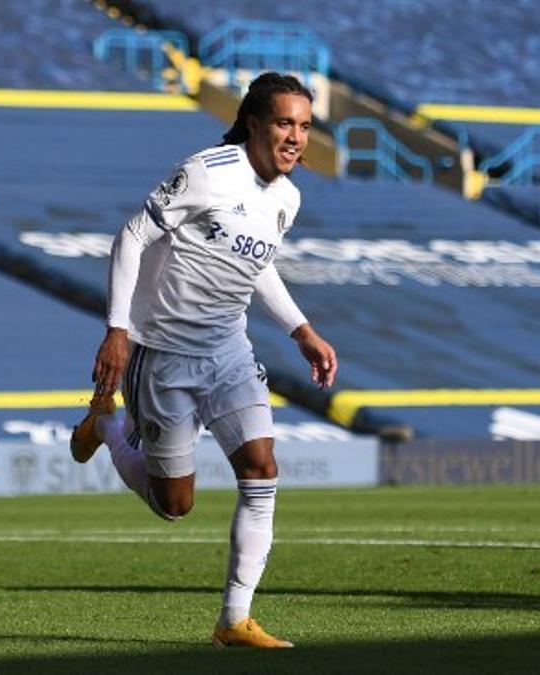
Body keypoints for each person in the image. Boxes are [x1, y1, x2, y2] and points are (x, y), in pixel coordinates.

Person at [70, 71, 336, 648]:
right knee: (174, 505)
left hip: (229, 351)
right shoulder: (207, 172)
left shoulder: (287, 198)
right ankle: (108, 426)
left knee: (262, 470)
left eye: (304, 126)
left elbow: (256, 264)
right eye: (285, 123)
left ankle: (233, 620)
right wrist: (118, 329)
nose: (296, 137)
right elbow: (133, 236)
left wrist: (302, 330)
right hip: (163, 355)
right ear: (254, 124)